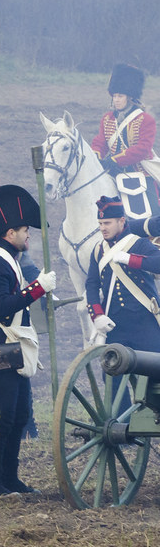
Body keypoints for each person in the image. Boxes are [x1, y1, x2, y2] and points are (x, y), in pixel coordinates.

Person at [0, 184, 57, 500]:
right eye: (24, 230)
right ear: (9, 233)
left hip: (12, 350)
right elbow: (3, 306)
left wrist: (41, 292)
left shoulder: (7, 259)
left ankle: (10, 479)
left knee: (19, 417)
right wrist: (37, 288)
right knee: (1, 420)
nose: (28, 235)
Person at [85, 196, 160, 351]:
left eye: (107, 223)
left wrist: (130, 259)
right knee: (113, 373)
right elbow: (91, 285)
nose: (102, 228)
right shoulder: (99, 250)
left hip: (144, 324)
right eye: (100, 224)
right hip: (114, 325)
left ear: (121, 221)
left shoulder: (139, 244)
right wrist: (97, 315)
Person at [90, 64, 159, 217]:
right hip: (113, 172)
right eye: (114, 96)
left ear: (130, 97)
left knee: (154, 213)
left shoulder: (145, 119)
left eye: (120, 96)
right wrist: (97, 157)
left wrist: (114, 160)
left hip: (140, 173)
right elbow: (100, 141)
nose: (116, 100)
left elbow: (142, 149)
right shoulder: (107, 118)